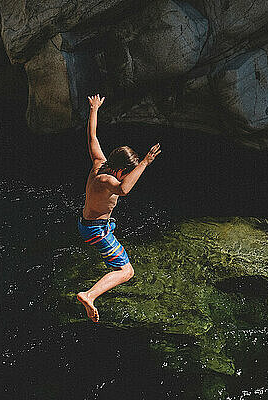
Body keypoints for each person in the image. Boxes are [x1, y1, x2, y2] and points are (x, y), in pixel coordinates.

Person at [76, 93, 161, 323]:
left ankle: (92, 290)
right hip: (96, 230)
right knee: (127, 271)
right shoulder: (106, 182)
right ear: (121, 170)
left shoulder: (99, 162)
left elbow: (92, 135)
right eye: (128, 171)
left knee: (117, 261)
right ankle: (89, 295)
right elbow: (123, 190)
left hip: (90, 225)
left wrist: (94, 109)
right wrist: (144, 162)